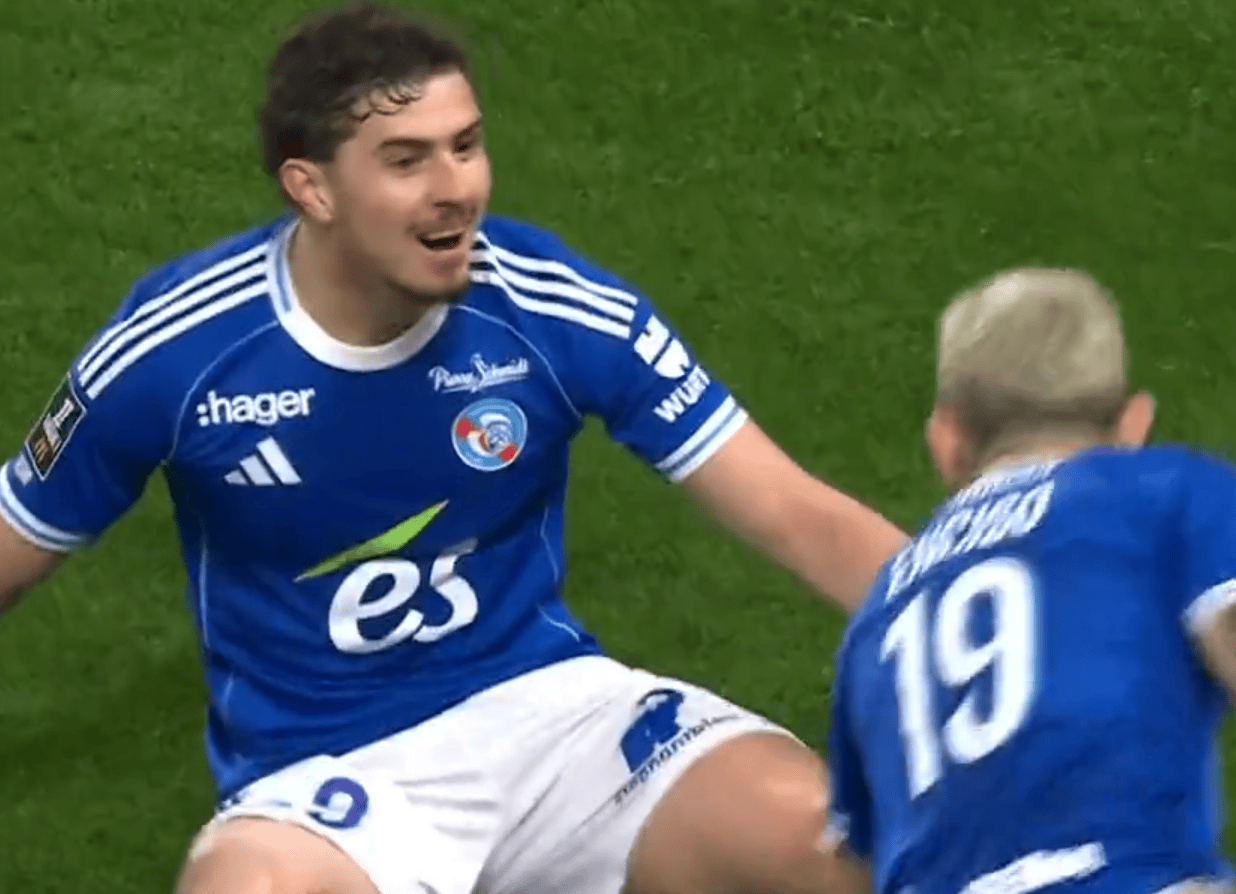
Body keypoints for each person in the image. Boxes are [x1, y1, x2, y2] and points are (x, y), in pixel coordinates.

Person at [0, 3, 906, 893]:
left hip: (558, 723)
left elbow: (797, 513)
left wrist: (975, 628)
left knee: (828, 841)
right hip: (325, 778)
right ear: (312, 188)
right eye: (407, 160)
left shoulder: (546, 304)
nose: (456, 188)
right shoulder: (181, 351)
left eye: (465, 146)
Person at [823, 267, 1236, 894]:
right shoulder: (1169, 493)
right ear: (1134, 424)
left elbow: (854, 866)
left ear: (946, 440)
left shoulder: (876, 620)